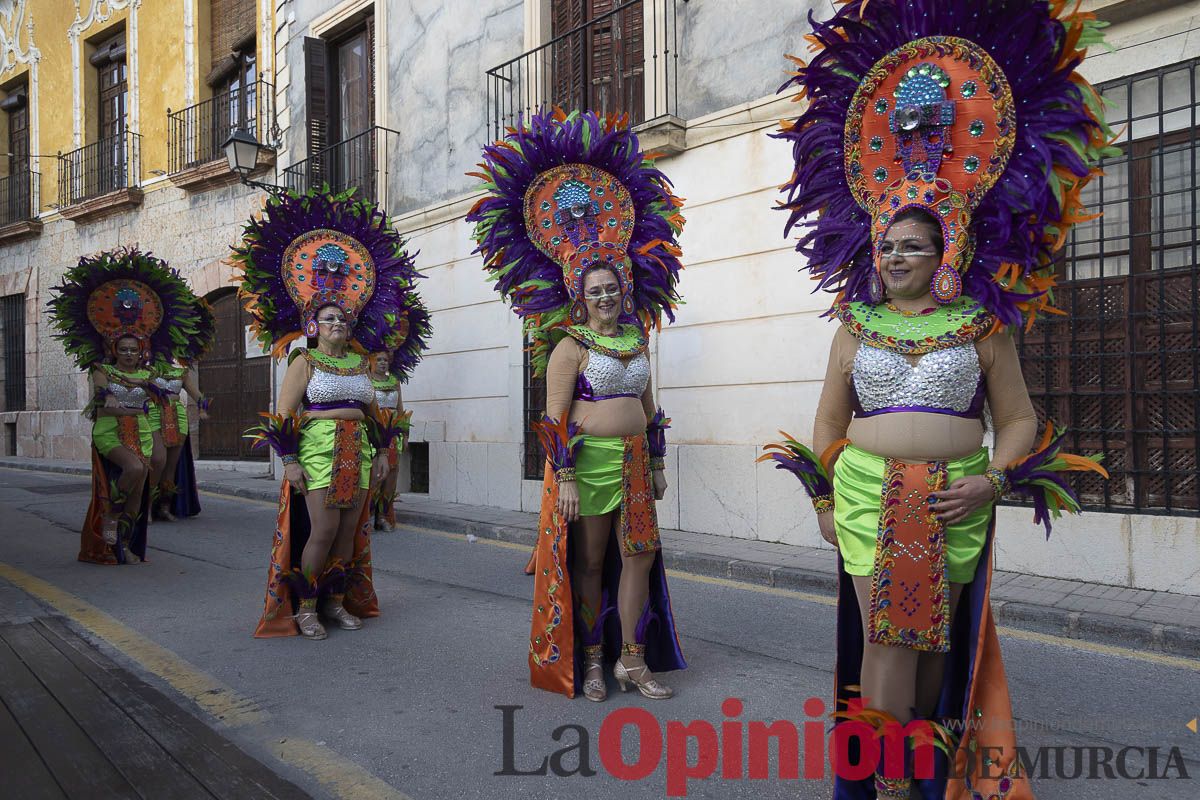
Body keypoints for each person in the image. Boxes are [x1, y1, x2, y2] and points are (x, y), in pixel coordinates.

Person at [769, 3, 1113, 797]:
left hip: (956, 502)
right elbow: (828, 420)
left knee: (934, 647)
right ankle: (887, 786)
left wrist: (994, 480)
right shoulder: (853, 326)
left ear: (943, 252)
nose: (892, 255)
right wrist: (823, 493)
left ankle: (924, 777)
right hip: (866, 496)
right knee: (885, 639)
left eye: (909, 246)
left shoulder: (983, 326)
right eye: (884, 245)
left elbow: (1019, 416)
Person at [469, 109, 687, 700]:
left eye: (613, 286)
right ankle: (591, 657)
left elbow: (650, 404)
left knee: (638, 556)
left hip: (637, 462)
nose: (607, 295)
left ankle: (632, 659)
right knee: (589, 563)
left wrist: (660, 461)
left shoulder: (637, 338)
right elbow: (553, 420)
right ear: (579, 296)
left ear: (624, 286)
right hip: (587, 468)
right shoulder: (567, 347)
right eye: (596, 290)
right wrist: (563, 475)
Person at [233, 188, 429, 640]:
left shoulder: (360, 363)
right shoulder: (303, 362)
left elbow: (374, 412)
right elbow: (282, 416)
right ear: (312, 326)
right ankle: (304, 607)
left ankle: (336, 602)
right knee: (320, 531)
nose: (338, 325)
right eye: (328, 320)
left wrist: (382, 453)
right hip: (319, 451)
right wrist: (290, 461)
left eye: (343, 319)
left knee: (348, 535)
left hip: (357, 452)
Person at [47, 248, 211, 565]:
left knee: (138, 492)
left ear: (141, 351)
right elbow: (104, 405)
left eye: (133, 350)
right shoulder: (102, 371)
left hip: (144, 432)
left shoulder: (150, 373)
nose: (128, 354)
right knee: (135, 469)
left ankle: (125, 542)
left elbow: (169, 394)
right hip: (110, 433)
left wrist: (197, 402)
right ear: (114, 349)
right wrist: (115, 403)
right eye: (123, 349)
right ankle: (109, 519)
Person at [148, 361, 210, 520]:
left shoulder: (181, 371)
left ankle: (164, 507)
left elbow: (198, 396)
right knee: (158, 460)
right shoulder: (146, 368)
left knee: (170, 467)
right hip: (154, 413)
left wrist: (202, 408)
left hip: (177, 416)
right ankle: (147, 506)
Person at [368, 351, 405, 531]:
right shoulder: (366, 380)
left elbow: (400, 409)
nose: (383, 363)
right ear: (371, 361)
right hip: (375, 434)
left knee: (391, 476)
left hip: (393, 436)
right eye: (379, 359)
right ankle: (368, 515)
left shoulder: (395, 381)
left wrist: (405, 435)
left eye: (386, 360)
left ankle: (382, 516)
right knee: (375, 476)